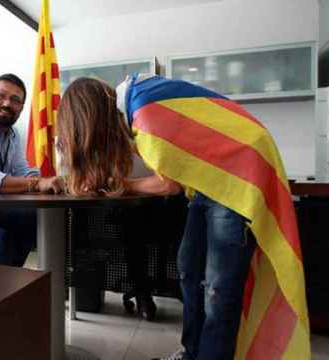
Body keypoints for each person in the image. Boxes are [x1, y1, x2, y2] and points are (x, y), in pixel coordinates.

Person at [56, 76, 309, 360]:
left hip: (240, 174)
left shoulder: (144, 114)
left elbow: (169, 184)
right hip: (210, 180)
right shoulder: (135, 103)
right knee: (189, 270)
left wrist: (119, 185)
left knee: (218, 289)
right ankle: (191, 354)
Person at [0, 73, 62, 266]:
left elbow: (23, 170)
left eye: (15, 100)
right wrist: (38, 183)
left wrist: (56, 179)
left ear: (22, 108)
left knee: (35, 217)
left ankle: (11, 284)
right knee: (11, 233)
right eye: (0, 96)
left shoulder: (13, 136)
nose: (7, 103)